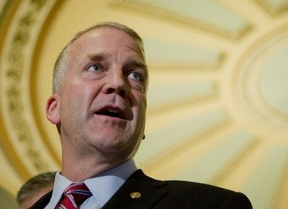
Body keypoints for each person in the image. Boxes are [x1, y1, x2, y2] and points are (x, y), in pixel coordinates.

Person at [31, 21, 253, 208]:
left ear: (143, 124)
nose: (118, 83)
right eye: (96, 67)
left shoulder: (215, 206)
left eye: (135, 76)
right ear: (54, 108)